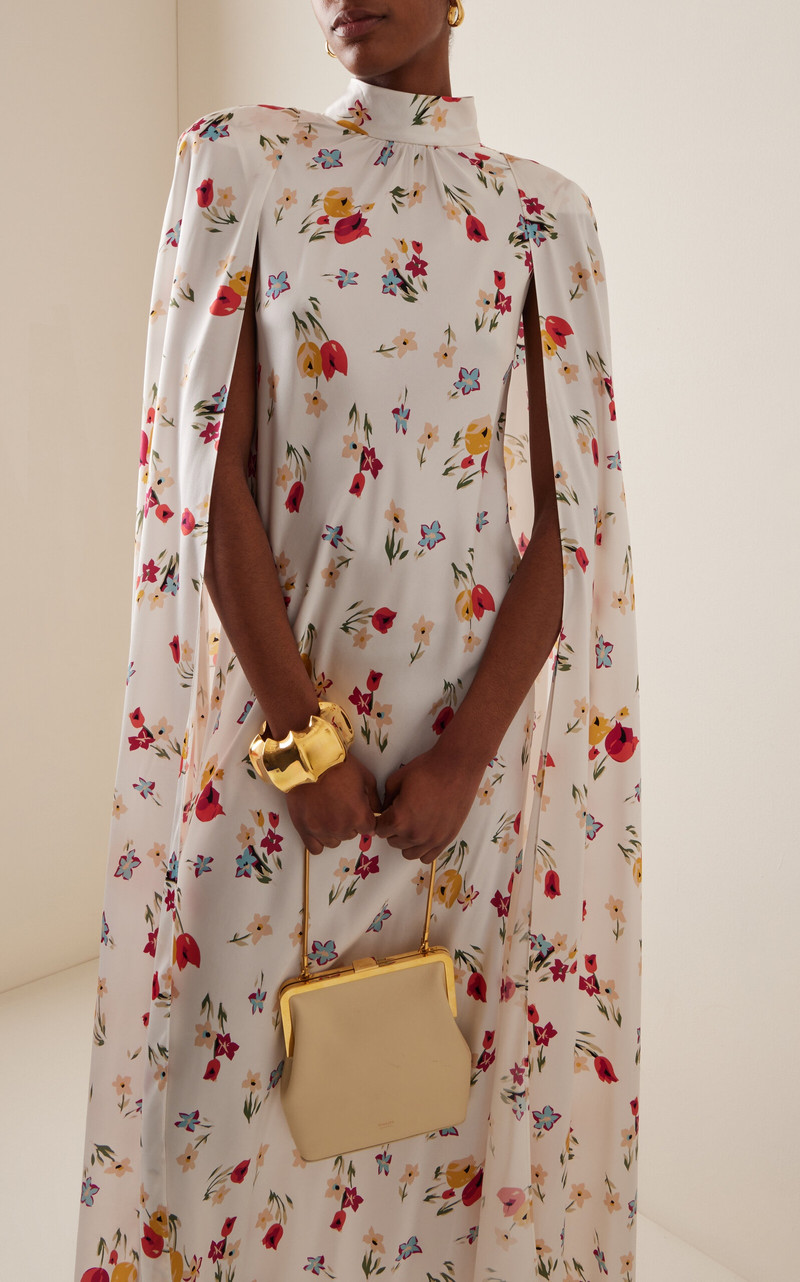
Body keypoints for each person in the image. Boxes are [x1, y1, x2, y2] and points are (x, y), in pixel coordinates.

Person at [74, 2, 642, 1279]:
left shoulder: (540, 212)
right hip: (278, 722)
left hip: (461, 750)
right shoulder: (246, 159)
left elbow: (573, 519)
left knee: (427, 1114)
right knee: (214, 1103)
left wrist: (465, 759)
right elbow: (204, 475)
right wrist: (299, 737)